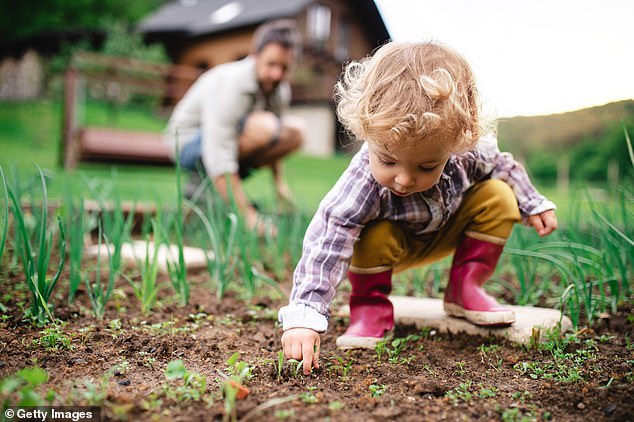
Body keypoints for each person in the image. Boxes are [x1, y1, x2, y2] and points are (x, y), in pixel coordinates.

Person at [278, 41, 558, 375]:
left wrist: (532, 203)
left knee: (499, 194)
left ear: (455, 143)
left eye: (427, 166)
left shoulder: (465, 152)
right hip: (388, 248)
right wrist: (305, 315)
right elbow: (328, 236)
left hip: (446, 230)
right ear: (367, 133)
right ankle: (369, 307)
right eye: (388, 160)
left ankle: (465, 288)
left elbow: (504, 166)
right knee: (367, 232)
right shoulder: (362, 179)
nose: (404, 179)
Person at [164, 19, 305, 234]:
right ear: (255, 57)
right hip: (187, 143)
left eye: (284, 68)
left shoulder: (279, 89)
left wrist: (279, 185)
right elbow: (218, 149)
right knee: (265, 126)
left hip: (227, 142)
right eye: (271, 64)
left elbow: (276, 139)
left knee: (295, 133)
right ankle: (205, 190)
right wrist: (248, 215)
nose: (277, 74)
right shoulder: (232, 83)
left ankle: (214, 192)